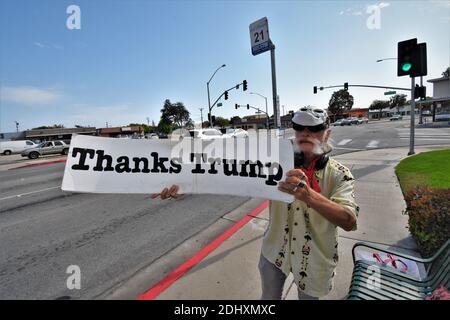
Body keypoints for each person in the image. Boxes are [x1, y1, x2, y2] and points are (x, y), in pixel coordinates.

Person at [152, 106, 359, 300]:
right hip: (274, 252)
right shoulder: (274, 163)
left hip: (314, 260)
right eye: (299, 128)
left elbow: (349, 220)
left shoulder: (340, 174)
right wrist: (183, 187)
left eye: (314, 128)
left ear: (327, 133)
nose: (305, 133)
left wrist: (308, 195)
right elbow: (225, 176)